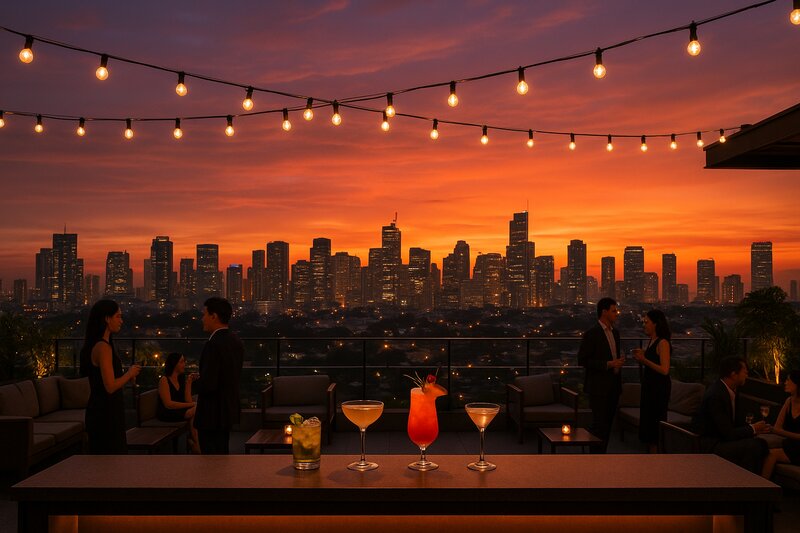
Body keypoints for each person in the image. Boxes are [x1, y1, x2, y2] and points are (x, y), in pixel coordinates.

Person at [79, 299, 140, 454]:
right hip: (105, 413)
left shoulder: (98, 345)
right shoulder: (103, 348)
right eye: (118, 316)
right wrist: (130, 373)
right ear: (107, 318)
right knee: (110, 459)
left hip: (102, 410)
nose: (121, 320)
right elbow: (110, 386)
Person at [691, 357, 770, 474]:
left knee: (759, 443)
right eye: (745, 372)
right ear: (734, 374)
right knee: (756, 445)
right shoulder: (716, 395)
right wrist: (753, 428)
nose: (746, 376)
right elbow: (727, 432)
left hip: (722, 439)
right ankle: (748, 483)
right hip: (712, 445)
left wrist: (754, 429)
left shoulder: (730, 390)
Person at [193, 297, 244, 454]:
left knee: (210, 456)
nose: (203, 319)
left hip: (211, 413)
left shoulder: (213, 344)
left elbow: (209, 383)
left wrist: (192, 384)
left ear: (214, 316)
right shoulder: (235, 341)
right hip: (227, 409)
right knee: (222, 451)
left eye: (204, 315)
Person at [577, 297, 624, 452]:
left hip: (613, 386)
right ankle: (594, 457)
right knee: (599, 424)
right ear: (604, 312)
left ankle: (602, 455)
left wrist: (617, 363)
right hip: (598, 387)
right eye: (614, 311)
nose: (617, 314)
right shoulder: (592, 334)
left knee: (608, 424)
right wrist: (608, 364)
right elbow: (583, 360)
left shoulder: (615, 333)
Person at [632, 309, 672, 453]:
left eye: (647, 322)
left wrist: (644, 360)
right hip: (650, 386)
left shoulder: (663, 343)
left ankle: (656, 458)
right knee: (649, 423)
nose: (644, 325)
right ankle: (651, 455)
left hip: (658, 389)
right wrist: (643, 356)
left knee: (654, 424)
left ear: (656, 324)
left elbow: (664, 370)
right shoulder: (652, 340)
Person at [157, 352, 200, 454]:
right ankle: (196, 444)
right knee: (196, 409)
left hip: (178, 410)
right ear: (174, 364)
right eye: (181, 362)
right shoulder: (164, 380)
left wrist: (189, 382)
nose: (184, 364)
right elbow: (168, 404)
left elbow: (188, 400)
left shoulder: (180, 379)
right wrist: (192, 404)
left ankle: (196, 444)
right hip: (167, 413)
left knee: (195, 412)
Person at [761, 370, 800, 479]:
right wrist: (775, 430)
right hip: (790, 446)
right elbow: (778, 426)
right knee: (764, 452)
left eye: (788, 380)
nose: (785, 383)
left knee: (771, 454)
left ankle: (762, 488)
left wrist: (777, 431)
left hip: (797, 448)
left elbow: (777, 430)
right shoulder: (789, 401)